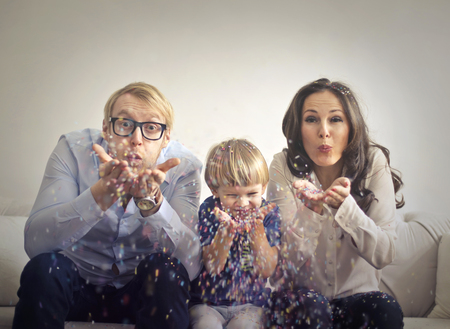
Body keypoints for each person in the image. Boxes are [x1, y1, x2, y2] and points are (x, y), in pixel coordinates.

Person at [12, 82, 202, 329]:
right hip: (77, 286)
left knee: (167, 270)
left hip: (140, 293)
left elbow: (191, 266)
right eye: (125, 124)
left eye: (151, 128)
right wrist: (101, 196)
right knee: (45, 267)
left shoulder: (183, 167)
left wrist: (153, 204)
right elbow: (35, 244)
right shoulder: (73, 150)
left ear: (166, 137)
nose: (136, 140)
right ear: (106, 128)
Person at [266, 78, 404, 328]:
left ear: (352, 127)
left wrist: (347, 210)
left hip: (359, 298)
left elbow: (384, 254)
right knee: (311, 308)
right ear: (298, 128)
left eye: (335, 119)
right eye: (311, 119)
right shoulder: (282, 167)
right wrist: (311, 212)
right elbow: (281, 267)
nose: (324, 131)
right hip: (301, 299)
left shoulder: (373, 162)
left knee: (385, 310)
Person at [189, 139, 281, 329]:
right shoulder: (210, 209)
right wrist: (226, 231)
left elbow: (267, 270)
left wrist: (258, 231)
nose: (243, 203)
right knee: (206, 326)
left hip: (252, 304)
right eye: (232, 195)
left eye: (252, 194)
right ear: (215, 190)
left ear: (263, 187)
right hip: (207, 303)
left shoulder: (268, 213)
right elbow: (213, 267)